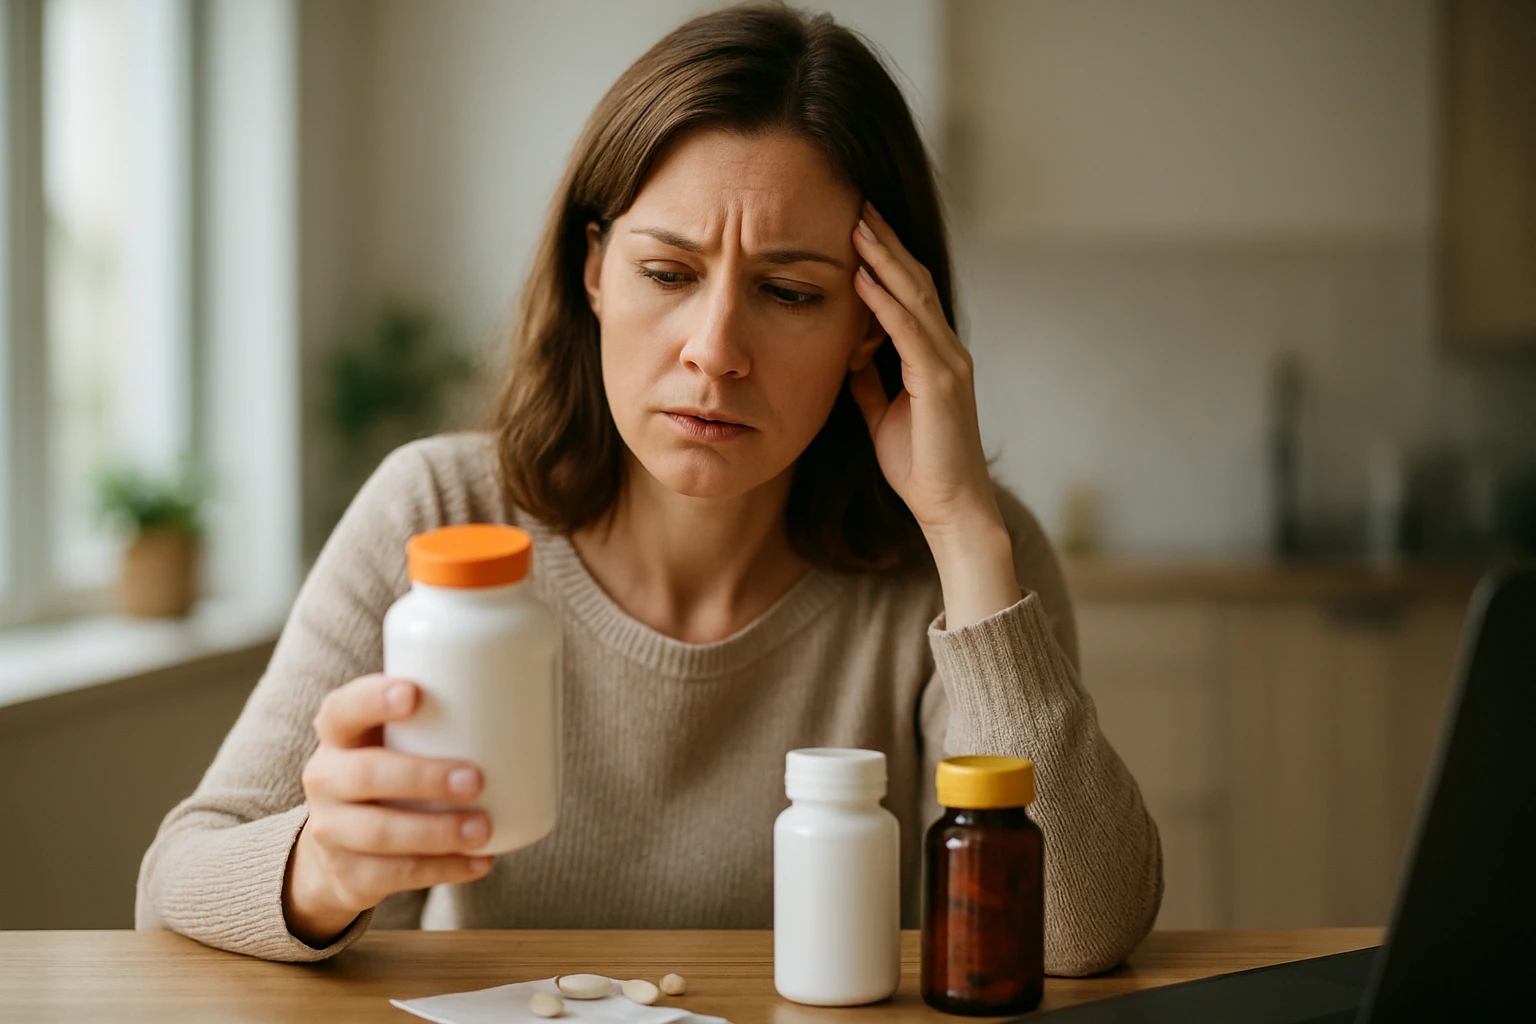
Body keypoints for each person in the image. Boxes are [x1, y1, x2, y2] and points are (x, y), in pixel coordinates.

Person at [136, 1, 1162, 974]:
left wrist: (961, 529)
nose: (714, 353)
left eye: (790, 292)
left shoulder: (962, 559)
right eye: (668, 274)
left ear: (873, 324)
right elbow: (172, 883)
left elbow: (1075, 934)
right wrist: (323, 868)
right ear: (594, 272)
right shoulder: (438, 513)